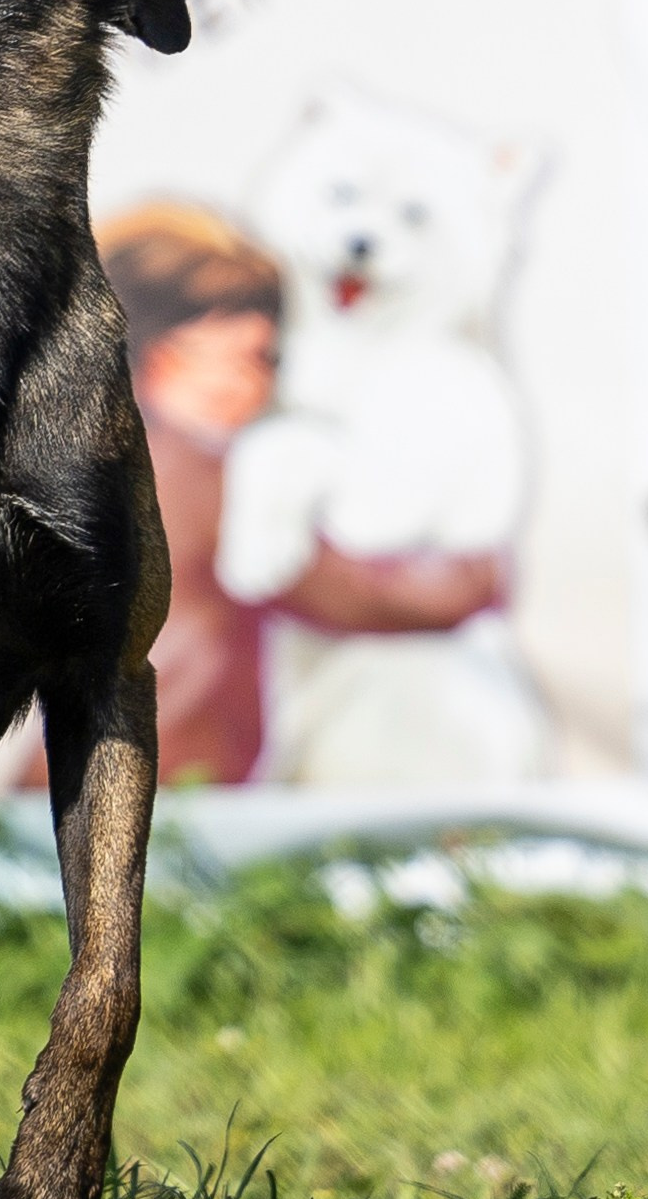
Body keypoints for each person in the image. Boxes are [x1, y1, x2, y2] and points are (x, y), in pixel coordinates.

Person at [103, 202, 506, 784]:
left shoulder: (98, 469)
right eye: (254, 357)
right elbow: (360, 595)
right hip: (170, 794)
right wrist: (479, 574)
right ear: (163, 358)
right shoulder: (201, 476)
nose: (263, 387)